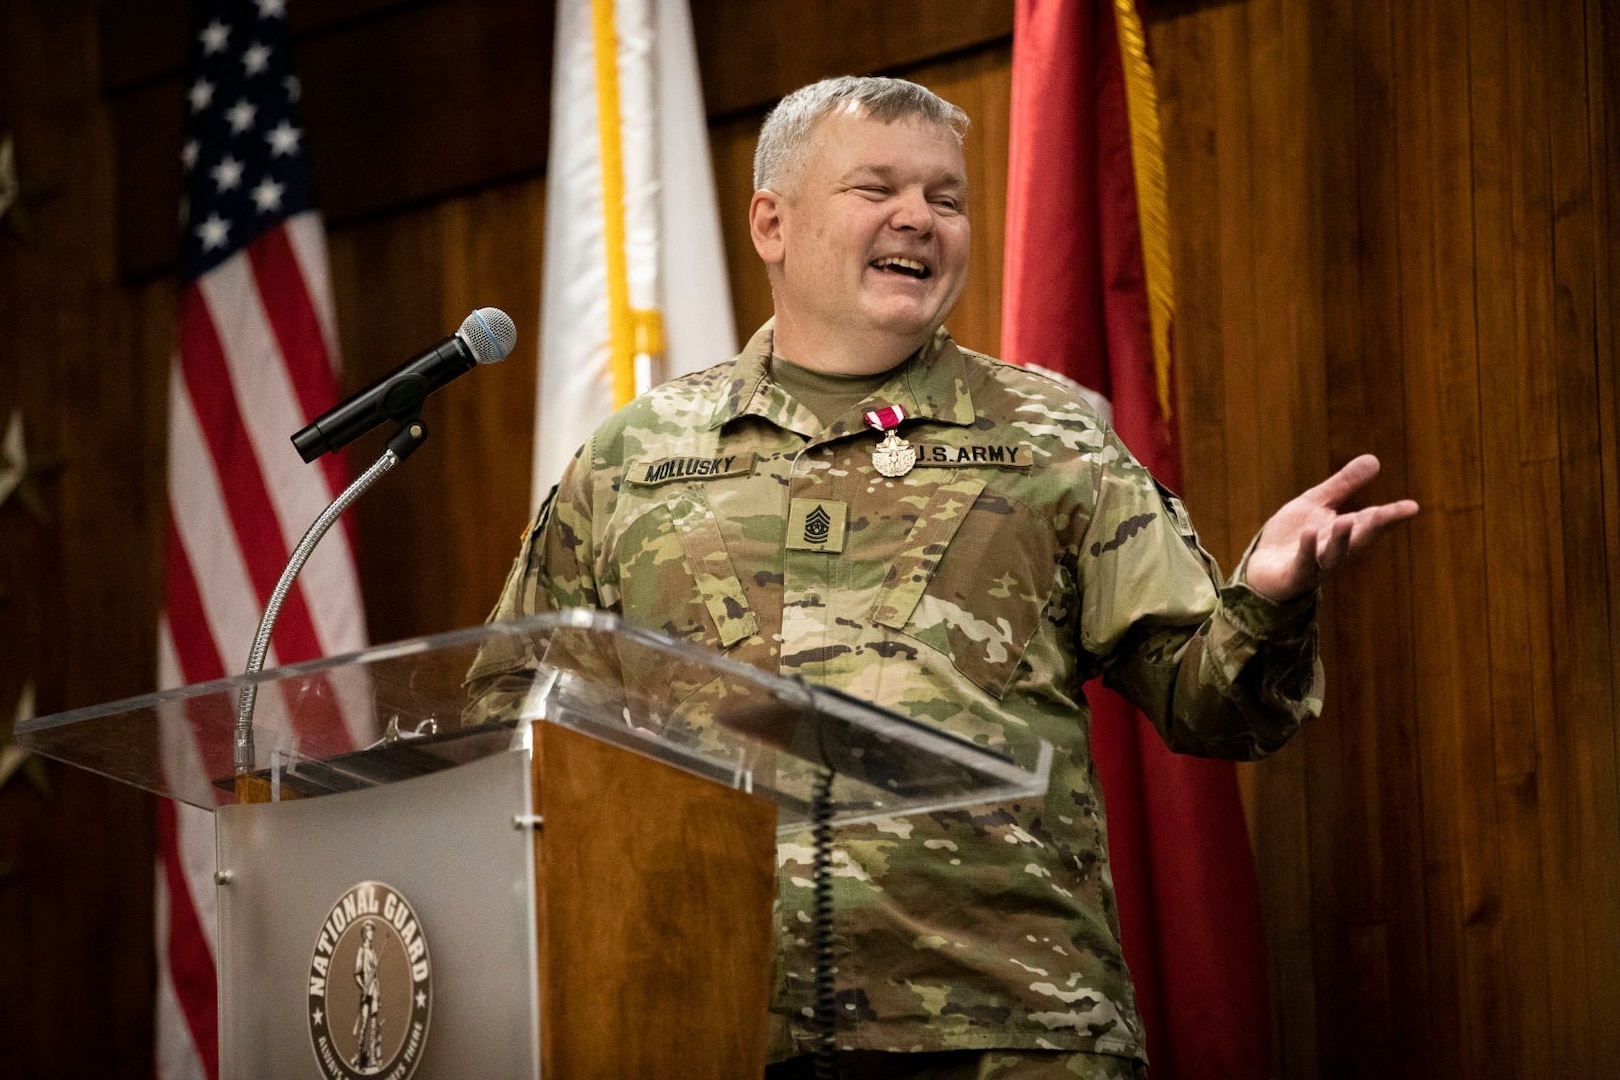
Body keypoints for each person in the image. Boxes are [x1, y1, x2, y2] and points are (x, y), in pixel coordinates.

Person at [470, 76, 1417, 1079]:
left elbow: (1211, 706)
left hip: (1005, 1026)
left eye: (947, 199)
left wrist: (1265, 603)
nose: (918, 219)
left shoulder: (1052, 439)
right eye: (876, 188)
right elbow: (508, 718)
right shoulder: (633, 457)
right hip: (707, 1020)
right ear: (772, 222)